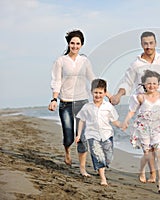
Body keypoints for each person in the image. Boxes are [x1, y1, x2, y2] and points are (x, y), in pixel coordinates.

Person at [110, 31, 160, 182]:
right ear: (141, 44)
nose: (148, 46)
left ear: (156, 43)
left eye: (151, 43)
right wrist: (118, 95)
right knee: (149, 145)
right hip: (145, 108)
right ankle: (153, 172)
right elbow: (126, 83)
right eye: (145, 43)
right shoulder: (136, 64)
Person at [48, 29, 95, 177]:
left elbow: (92, 78)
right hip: (66, 103)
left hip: (82, 102)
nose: (75, 46)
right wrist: (54, 99)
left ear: (81, 45)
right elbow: (57, 81)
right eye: (72, 43)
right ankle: (67, 151)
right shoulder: (60, 61)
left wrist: (107, 93)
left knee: (82, 136)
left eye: (78, 43)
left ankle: (82, 168)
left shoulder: (84, 61)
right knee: (69, 136)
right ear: (68, 44)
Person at [122, 70, 160, 194]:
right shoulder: (139, 97)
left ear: (158, 84)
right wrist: (126, 121)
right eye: (149, 83)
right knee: (147, 154)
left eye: (154, 83)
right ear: (144, 84)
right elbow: (131, 111)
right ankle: (141, 170)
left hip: (157, 129)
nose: (152, 86)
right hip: (144, 129)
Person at [76, 79, 121, 186]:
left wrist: (123, 126)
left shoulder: (108, 107)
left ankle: (102, 166)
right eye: (95, 92)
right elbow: (81, 120)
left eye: (100, 93)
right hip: (92, 135)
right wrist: (78, 134)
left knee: (108, 158)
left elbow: (114, 120)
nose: (98, 95)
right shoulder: (87, 107)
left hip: (107, 135)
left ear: (105, 93)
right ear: (91, 92)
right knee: (98, 155)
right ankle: (103, 178)